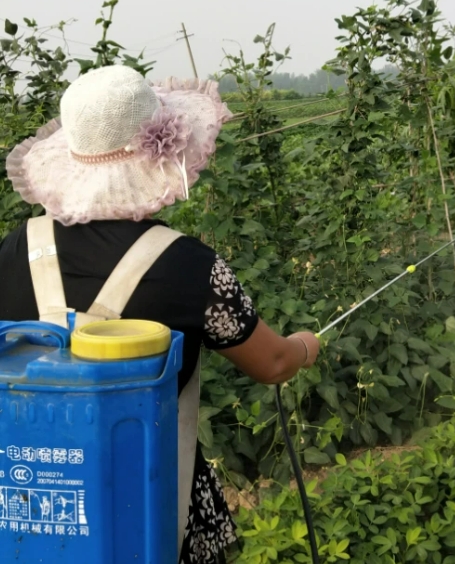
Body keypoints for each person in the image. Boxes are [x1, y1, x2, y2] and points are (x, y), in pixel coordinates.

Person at [0, 65, 320, 564]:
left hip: (34, 513)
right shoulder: (188, 266)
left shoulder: (15, 250)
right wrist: (305, 345)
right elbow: (272, 363)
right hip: (154, 514)